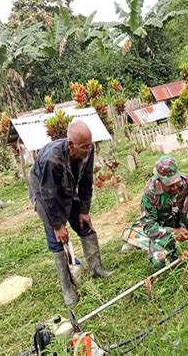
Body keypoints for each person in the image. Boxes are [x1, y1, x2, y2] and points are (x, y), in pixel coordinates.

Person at [29, 120, 114, 307]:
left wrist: (84, 210)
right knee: (58, 240)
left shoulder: (87, 151)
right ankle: (67, 288)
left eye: (89, 145)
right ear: (70, 144)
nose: (87, 150)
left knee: (86, 227)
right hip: (44, 193)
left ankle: (97, 269)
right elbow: (48, 194)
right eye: (83, 147)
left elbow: (86, 180)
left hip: (67, 188)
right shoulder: (52, 159)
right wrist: (58, 226)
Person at [140, 155, 188, 269]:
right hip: (164, 230)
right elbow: (148, 226)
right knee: (160, 261)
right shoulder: (150, 193)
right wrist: (173, 233)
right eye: (169, 184)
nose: (174, 187)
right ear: (159, 180)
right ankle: (174, 256)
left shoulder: (187, 182)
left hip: (184, 221)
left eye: (176, 182)